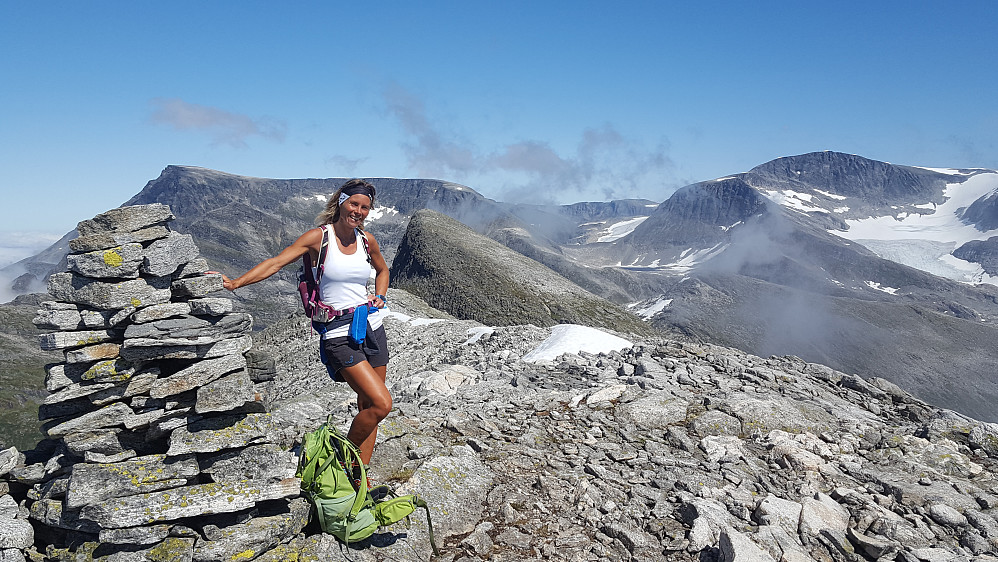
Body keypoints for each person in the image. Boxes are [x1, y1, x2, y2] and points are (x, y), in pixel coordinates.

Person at [218, 179, 392, 474]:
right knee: (381, 404)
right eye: (354, 204)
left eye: (365, 208)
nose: (358, 212)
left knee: (368, 407)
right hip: (338, 333)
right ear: (341, 202)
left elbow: (383, 269)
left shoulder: (366, 241)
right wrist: (236, 283)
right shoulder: (318, 238)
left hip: (371, 326)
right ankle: (339, 465)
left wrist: (381, 295)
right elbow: (276, 262)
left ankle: (358, 477)